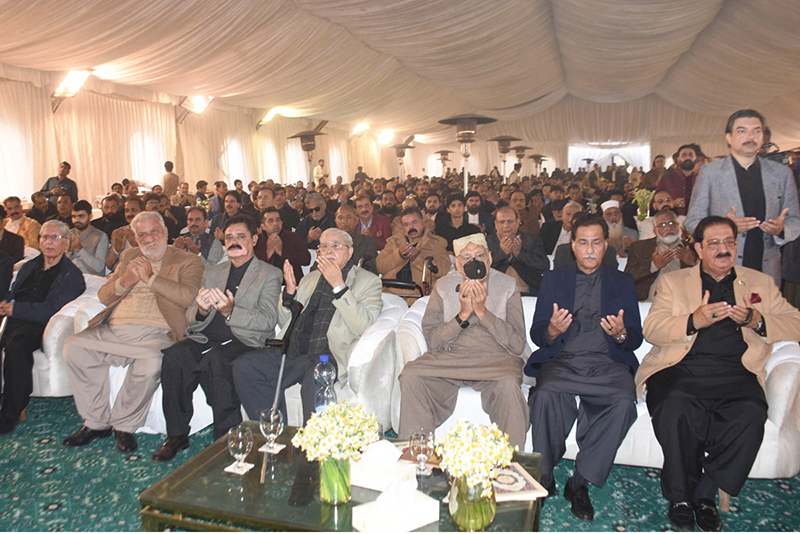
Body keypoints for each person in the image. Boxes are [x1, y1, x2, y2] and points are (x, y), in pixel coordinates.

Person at [636, 216, 800, 532]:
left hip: (736, 374)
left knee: (751, 413)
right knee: (674, 405)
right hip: (679, 370)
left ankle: (705, 493)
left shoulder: (759, 282)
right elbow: (652, 329)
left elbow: (795, 322)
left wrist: (757, 320)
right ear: (698, 249)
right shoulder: (675, 282)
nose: (723, 249)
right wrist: (693, 320)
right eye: (713, 243)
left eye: (729, 242)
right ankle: (680, 498)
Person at [526, 214, 642, 521]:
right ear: (573, 246)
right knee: (545, 393)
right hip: (563, 362)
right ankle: (545, 476)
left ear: (606, 246)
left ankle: (579, 482)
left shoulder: (622, 282)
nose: (590, 250)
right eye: (583, 243)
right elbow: (538, 333)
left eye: (596, 243)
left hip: (607, 364)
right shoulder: (554, 279)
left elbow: (635, 337)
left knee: (623, 402)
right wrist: (552, 330)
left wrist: (621, 334)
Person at [62, 212, 203, 453]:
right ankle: (96, 423)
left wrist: (150, 278)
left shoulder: (187, 260)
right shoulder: (129, 256)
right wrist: (124, 281)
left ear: (165, 232)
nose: (148, 238)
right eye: (142, 234)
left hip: (157, 333)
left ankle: (124, 426)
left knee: (152, 362)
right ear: (136, 239)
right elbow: (104, 296)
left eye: (154, 231)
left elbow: (187, 296)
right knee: (74, 347)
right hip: (114, 328)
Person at [152, 215, 282, 461]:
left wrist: (230, 312)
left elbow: (266, 321)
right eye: (229, 237)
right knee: (175, 357)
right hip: (207, 337)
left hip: (244, 341)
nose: (234, 242)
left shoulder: (269, 274)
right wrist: (202, 310)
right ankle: (177, 435)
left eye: (241, 236)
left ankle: (226, 439)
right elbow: (191, 315)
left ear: (255, 239)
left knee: (218, 361)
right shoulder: (212, 272)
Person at [232, 228, 383, 424]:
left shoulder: (368, 281)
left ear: (350, 251)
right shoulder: (310, 278)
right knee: (244, 366)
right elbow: (285, 322)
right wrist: (289, 295)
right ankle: (275, 430)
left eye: (336, 246)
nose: (329, 251)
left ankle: (313, 440)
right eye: (324, 246)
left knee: (317, 375)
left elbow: (364, 326)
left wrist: (338, 286)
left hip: (327, 355)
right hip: (294, 351)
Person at [398, 233, 530, 448]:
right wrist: (463, 315)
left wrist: (483, 312)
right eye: (467, 258)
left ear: (489, 258)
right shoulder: (443, 286)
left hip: (496, 361)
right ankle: (416, 454)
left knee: (508, 385)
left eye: (479, 256)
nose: (474, 262)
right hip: (451, 359)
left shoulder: (507, 285)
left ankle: (511, 461)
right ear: (458, 264)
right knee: (411, 374)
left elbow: (517, 344)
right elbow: (433, 341)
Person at [686, 109, 800, 286]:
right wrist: (726, 227)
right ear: (729, 138)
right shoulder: (710, 173)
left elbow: (795, 221)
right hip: (721, 270)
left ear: (763, 137)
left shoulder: (781, 174)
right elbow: (692, 222)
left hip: (766, 271)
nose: (750, 136)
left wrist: (781, 230)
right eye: (742, 131)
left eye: (756, 131)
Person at [0, 221, 85, 434]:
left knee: (16, 346)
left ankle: (10, 414)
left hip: (39, 325)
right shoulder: (30, 266)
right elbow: (13, 291)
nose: (49, 242)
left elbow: (51, 310)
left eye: (55, 237)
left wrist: (15, 309)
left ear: (66, 243)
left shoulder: (72, 276)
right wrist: (6, 304)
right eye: (45, 237)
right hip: (12, 317)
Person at [377, 207, 449, 298]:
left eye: (414, 222)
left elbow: (443, 269)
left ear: (423, 222)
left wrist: (417, 259)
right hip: (391, 292)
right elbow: (379, 266)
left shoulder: (436, 242)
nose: (411, 227)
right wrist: (399, 256)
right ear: (402, 227)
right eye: (406, 224)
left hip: (419, 294)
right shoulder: (393, 242)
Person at [625, 209, 696, 300]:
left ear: (678, 226)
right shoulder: (640, 247)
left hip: (683, 298)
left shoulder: (691, 248)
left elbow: (706, 276)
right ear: (655, 230)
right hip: (652, 299)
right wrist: (653, 266)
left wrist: (693, 264)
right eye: (662, 225)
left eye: (672, 223)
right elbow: (627, 277)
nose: (668, 228)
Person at [488, 206, 549, 296]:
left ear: (517, 222)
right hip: (495, 293)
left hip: (528, 291)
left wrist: (520, 254)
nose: (506, 226)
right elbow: (482, 269)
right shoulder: (486, 242)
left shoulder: (532, 240)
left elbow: (543, 265)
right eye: (502, 222)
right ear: (496, 224)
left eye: (510, 221)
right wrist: (502, 253)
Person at [254, 207, 312, 280]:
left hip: (293, 281)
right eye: (270, 221)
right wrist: (268, 254)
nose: (275, 224)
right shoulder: (256, 241)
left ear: (281, 222)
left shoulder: (293, 237)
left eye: (278, 220)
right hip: (265, 282)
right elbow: (253, 268)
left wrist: (282, 252)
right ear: (263, 226)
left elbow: (306, 260)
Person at [67, 200, 109, 276]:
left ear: (90, 217)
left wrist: (79, 249)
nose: (76, 220)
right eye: (74, 216)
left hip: (91, 279)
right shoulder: (69, 234)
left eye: (81, 216)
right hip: (69, 277)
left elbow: (99, 267)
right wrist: (69, 250)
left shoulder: (100, 236)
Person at [656, 145, 699, 216]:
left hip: (698, 218)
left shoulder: (701, 179)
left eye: (691, 155)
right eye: (684, 155)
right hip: (674, 218)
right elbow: (655, 204)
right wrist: (671, 204)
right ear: (678, 159)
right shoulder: (667, 179)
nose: (687, 158)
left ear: (695, 158)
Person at [334, 204, 378, 274]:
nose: (344, 221)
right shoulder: (329, 242)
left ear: (357, 220)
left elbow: (372, 271)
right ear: (336, 221)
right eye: (340, 217)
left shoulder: (367, 242)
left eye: (348, 217)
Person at [106, 197, 144, 271]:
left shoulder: (150, 233)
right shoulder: (118, 232)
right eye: (127, 211)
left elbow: (154, 261)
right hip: (120, 273)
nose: (129, 214)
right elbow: (109, 265)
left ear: (142, 212)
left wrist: (135, 245)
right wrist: (116, 249)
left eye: (133, 210)